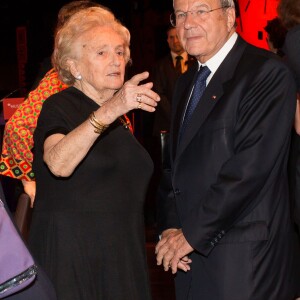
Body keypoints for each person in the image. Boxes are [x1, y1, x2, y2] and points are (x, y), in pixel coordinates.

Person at [155, 0, 300, 299]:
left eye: (200, 10)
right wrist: (170, 229)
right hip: (188, 261)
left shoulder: (266, 74)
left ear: (230, 15)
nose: (188, 22)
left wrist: (190, 236)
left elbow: (248, 172)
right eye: (181, 14)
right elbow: (173, 168)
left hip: (245, 265)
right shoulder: (185, 84)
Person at [28, 6, 160, 300]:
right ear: (74, 67)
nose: (116, 60)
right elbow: (58, 163)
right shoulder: (60, 106)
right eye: (101, 53)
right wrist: (112, 109)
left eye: (119, 52)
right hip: (74, 261)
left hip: (122, 259)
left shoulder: (120, 118)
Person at [0, 1, 104, 207]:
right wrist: (29, 182)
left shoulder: (99, 77)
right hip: (70, 196)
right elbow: (16, 128)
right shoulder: (57, 80)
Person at [152, 25, 196, 137]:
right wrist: (175, 116)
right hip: (168, 126)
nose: (175, 40)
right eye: (171, 37)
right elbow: (158, 94)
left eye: (177, 36)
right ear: (167, 40)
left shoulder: (197, 61)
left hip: (195, 123)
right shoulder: (160, 66)